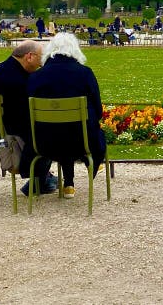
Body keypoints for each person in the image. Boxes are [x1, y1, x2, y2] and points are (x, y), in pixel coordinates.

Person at [0, 40, 57, 194]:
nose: (42, 64)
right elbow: (22, 119)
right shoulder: (20, 80)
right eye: (41, 58)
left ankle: (41, 176)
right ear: (29, 56)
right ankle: (38, 179)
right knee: (48, 132)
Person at [27, 32, 106, 199]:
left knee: (59, 129)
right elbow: (98, 110)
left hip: (44, 143)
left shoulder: (36, 77)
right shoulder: (85, 73)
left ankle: (69, 184)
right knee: (75, 129)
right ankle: (89, 164)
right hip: (81, 142)